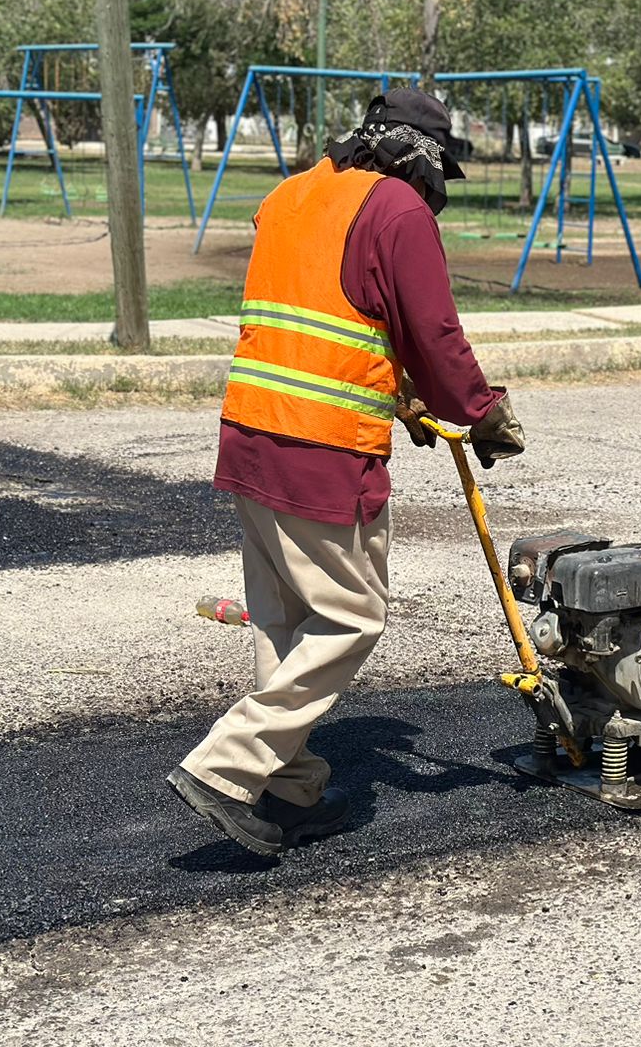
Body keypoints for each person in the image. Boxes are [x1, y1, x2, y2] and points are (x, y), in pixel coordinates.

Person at [169, 89, 526, 856]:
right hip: (323, 452)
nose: (434, 197)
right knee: (352, 617)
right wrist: (480, 410)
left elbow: (328, 318)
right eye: (436, 178)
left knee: (285, 621)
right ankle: (225, 763)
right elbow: (431, 329)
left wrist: (395, 396)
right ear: (418, 162)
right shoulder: (396, 211)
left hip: (251, 437)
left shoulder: (290, 195)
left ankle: (287, 789)